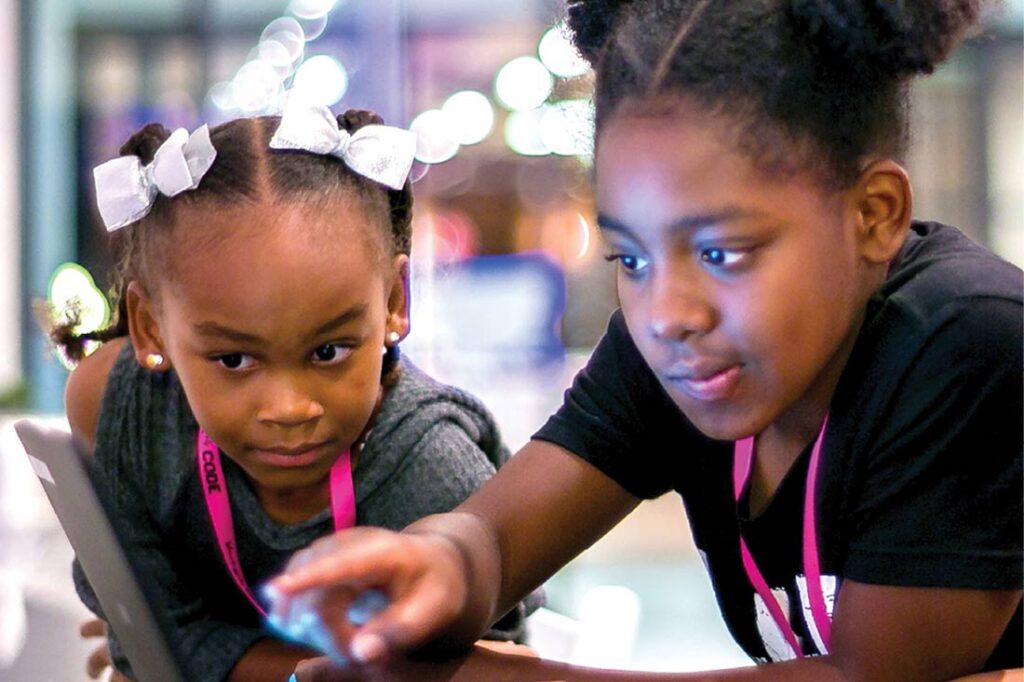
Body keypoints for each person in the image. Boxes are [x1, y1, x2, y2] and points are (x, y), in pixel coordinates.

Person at [264, 1, 1023, 680]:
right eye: (632, 258)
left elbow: (876, 678)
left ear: (875, 216)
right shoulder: (679, 354)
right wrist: (429, 567)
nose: (668, 313)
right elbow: (491, 545)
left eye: (722, 253)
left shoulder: (967, 341)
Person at [54, 102, 536, 682]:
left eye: (328, 351)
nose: (289, 409)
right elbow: (145, 639)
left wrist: (200, 658)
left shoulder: (429, 467)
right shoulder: (125, 407)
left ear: (393, 303)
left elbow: (480, 672)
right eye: (234, 360)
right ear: (151, 326)